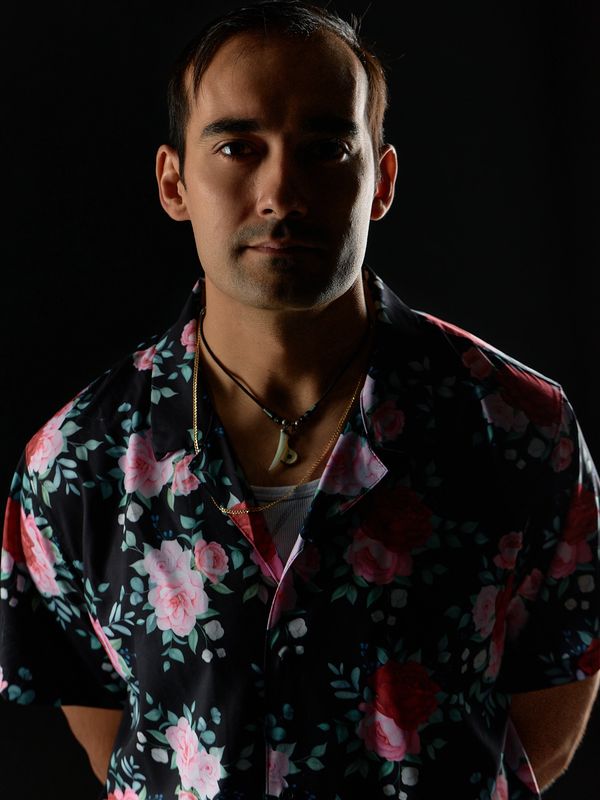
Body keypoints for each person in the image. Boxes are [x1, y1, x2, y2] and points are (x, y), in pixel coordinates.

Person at [1, 1, 598, 798]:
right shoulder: (77, 460)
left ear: (381, 182)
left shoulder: (521, 429)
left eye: (326, 148)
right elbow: (111, 728)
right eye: (238, 147)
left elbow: (550, 702)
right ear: (174, 182)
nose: (281, 191)